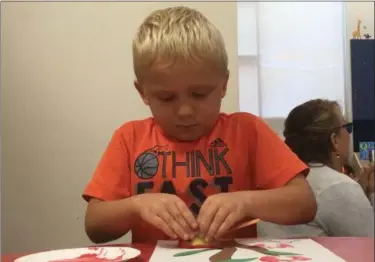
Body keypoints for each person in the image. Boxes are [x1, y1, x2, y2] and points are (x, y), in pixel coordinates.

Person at [82, 6, 317, 244]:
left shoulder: (247, 131)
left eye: (200, 94)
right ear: (143, 92)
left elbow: (304, 203)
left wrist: (246, 202)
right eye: (167, 98)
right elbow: (95, 224)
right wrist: (135, 207)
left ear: (223, 84)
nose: (185, 111)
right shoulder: (130, 137)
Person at [258, 99, 374, 238]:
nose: (349, 135)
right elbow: (369, 249)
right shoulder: (338, 186)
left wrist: (360, 191)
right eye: (347, 128)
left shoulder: (274, 182)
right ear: (334, 140)